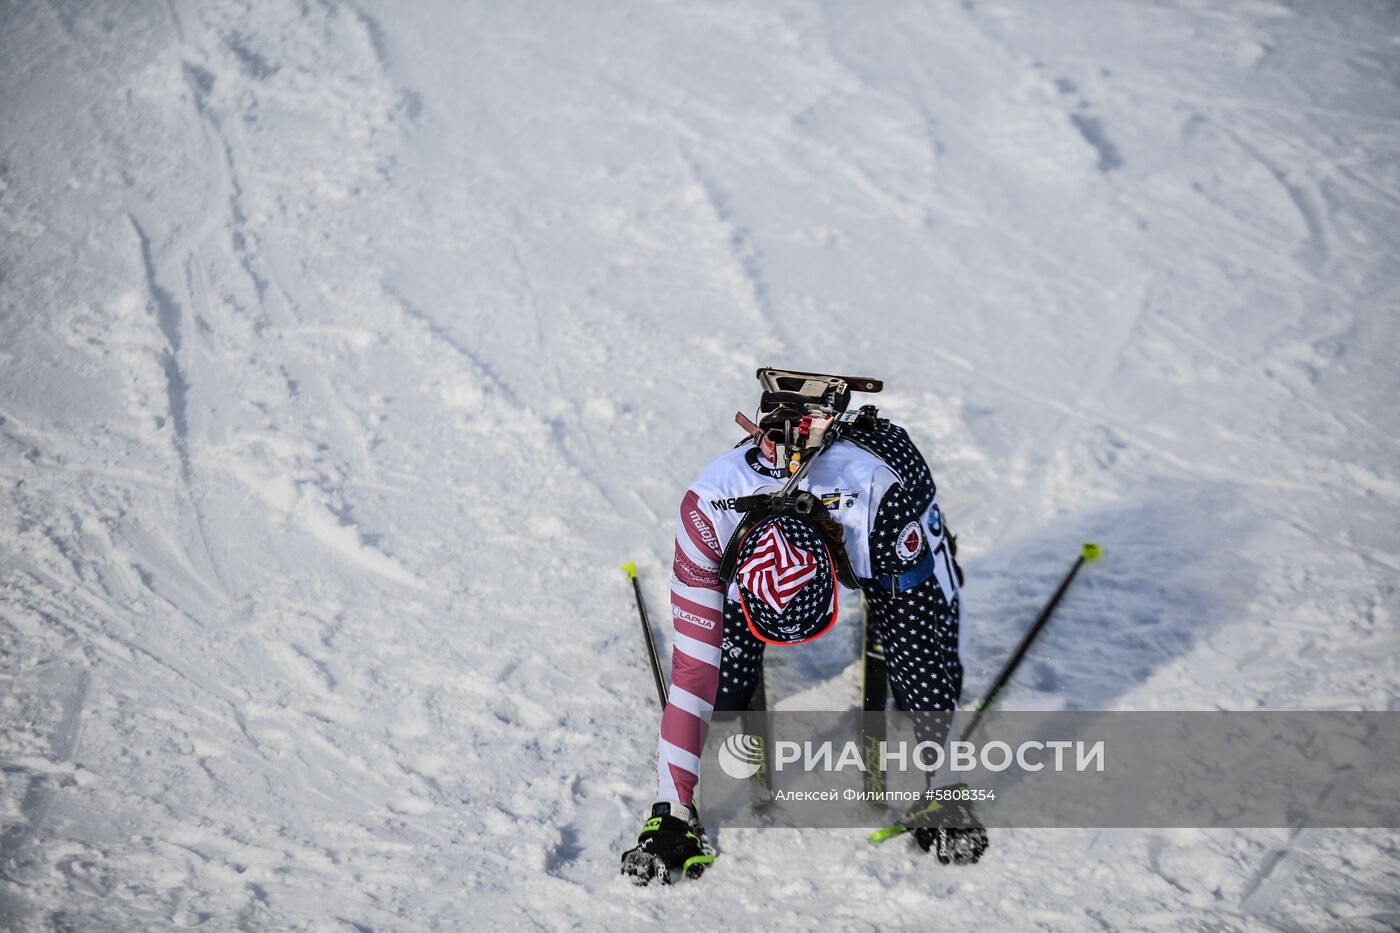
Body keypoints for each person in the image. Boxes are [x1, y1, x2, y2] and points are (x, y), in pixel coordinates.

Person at [621, 370, 988, 884]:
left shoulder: (879, 501)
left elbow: (922, 648)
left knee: (928, 676)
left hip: (885, 502)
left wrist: (946, 787)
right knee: (722, 697)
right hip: (762, 542)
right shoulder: (706, 513)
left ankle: (895, 597)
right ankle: (751, 632)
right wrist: (671, 811)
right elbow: (691, 677)